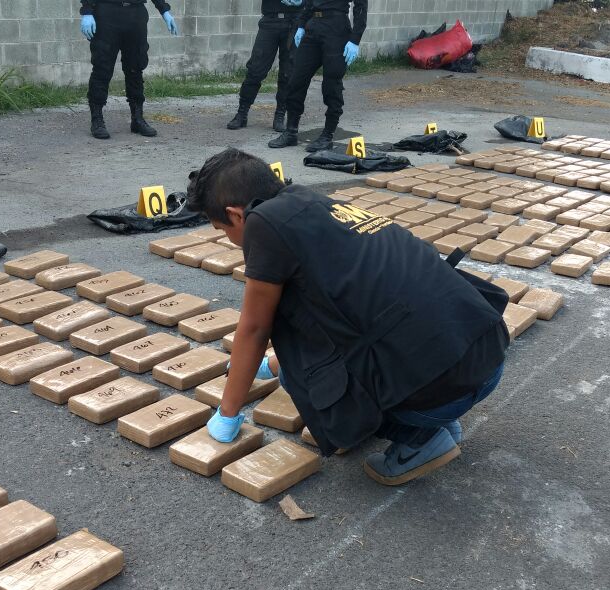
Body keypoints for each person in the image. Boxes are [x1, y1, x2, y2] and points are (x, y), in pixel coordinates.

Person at [186, 149, 509, 485]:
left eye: (221, 229)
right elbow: (337, 315)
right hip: (485, 353)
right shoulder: (312, 203)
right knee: (302, 355)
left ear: (235, 215)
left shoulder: (262, 224)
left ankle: (420, 437)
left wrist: (227, 413)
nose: (229, 239)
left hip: (445, 385)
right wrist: (274, 363)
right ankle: (433, 416)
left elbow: (254, 329)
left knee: (300, 380)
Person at [268, 0, 366, 152]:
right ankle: (291, 131)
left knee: (331, 85)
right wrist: (301, 25)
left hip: (336, 28)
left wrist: (355, 40)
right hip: (313, 26)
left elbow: (361, 6)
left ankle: (327, 135)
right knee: (296, 80)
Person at [80, 0, 180, 139]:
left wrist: (164, 10)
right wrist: (87, 11)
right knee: (102, 67)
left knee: (135, 67)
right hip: (106, 13)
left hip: (136, 14)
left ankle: (137, 118)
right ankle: (97, 120)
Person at [226, 0, 302, 132]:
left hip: (294, 22)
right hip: (270, 21)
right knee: (255, 70)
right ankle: (242, 114)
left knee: (288, 73)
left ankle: (280, 115)